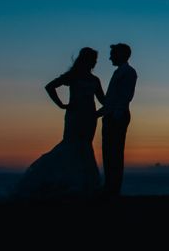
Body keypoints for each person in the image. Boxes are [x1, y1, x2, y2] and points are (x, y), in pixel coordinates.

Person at [11, 47, 104, 199]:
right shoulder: (73, 76)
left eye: (95, 60)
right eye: (92, 59)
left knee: (85, 147)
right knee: (71, 146)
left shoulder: (95, 80)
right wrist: (61, 105)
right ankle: (64, 182)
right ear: (84, 60)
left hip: (89, 119)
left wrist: (109, 105)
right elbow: (50, 87)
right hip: (75, 117)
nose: (94, 62)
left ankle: (84, 184)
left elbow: (102, 99)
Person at [98, 43, 137, 197]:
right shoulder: (120, 72)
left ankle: (112, 188)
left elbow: (124, 97)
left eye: (113, 54)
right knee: (109, 152)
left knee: (114, 152)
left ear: (121, 54)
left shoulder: (128, 72)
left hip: (117, 117)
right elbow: (112, 99)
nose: (110, 58)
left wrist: (114, 114)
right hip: (112, 115)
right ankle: (110, 186)